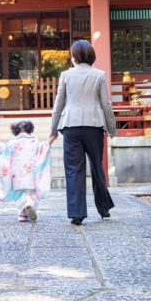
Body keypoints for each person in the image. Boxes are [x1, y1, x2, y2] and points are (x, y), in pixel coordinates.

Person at [49, 39, 116, 226]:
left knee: (73, 169)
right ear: (91, 56)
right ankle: (104, 208)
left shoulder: (65, 75)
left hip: (71, 125)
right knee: (97, 166)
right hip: (94, 126)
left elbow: (58, 105)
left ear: (74, 57)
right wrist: (112, 128)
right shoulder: (100, 75)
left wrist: (53, 129)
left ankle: (77, 213)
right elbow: (106, 104)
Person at [0, 120, 51, 222]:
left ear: (15, 131)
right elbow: (43, 148)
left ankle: (22, 214)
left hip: (16, 175)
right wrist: (51, 139)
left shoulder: (11, 143)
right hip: (30, 174)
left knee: (19, 194)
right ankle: (29, 205)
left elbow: (2, 151)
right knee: (31, 193)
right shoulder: (35, 141)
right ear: (30, 130)